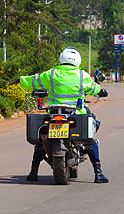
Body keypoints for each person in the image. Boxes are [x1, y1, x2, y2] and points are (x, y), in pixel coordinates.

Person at [12, 47, 109, 184]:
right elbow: (95, 89)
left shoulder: (51, 74)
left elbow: (33, 80)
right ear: (77, 61)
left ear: (61, 59)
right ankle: (98, 173)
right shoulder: (82, 75)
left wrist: (19, 80)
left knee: (40, 141)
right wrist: (101, 90)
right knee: (90, 137)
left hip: (53, 112)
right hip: (76, 113)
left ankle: (34, 172)